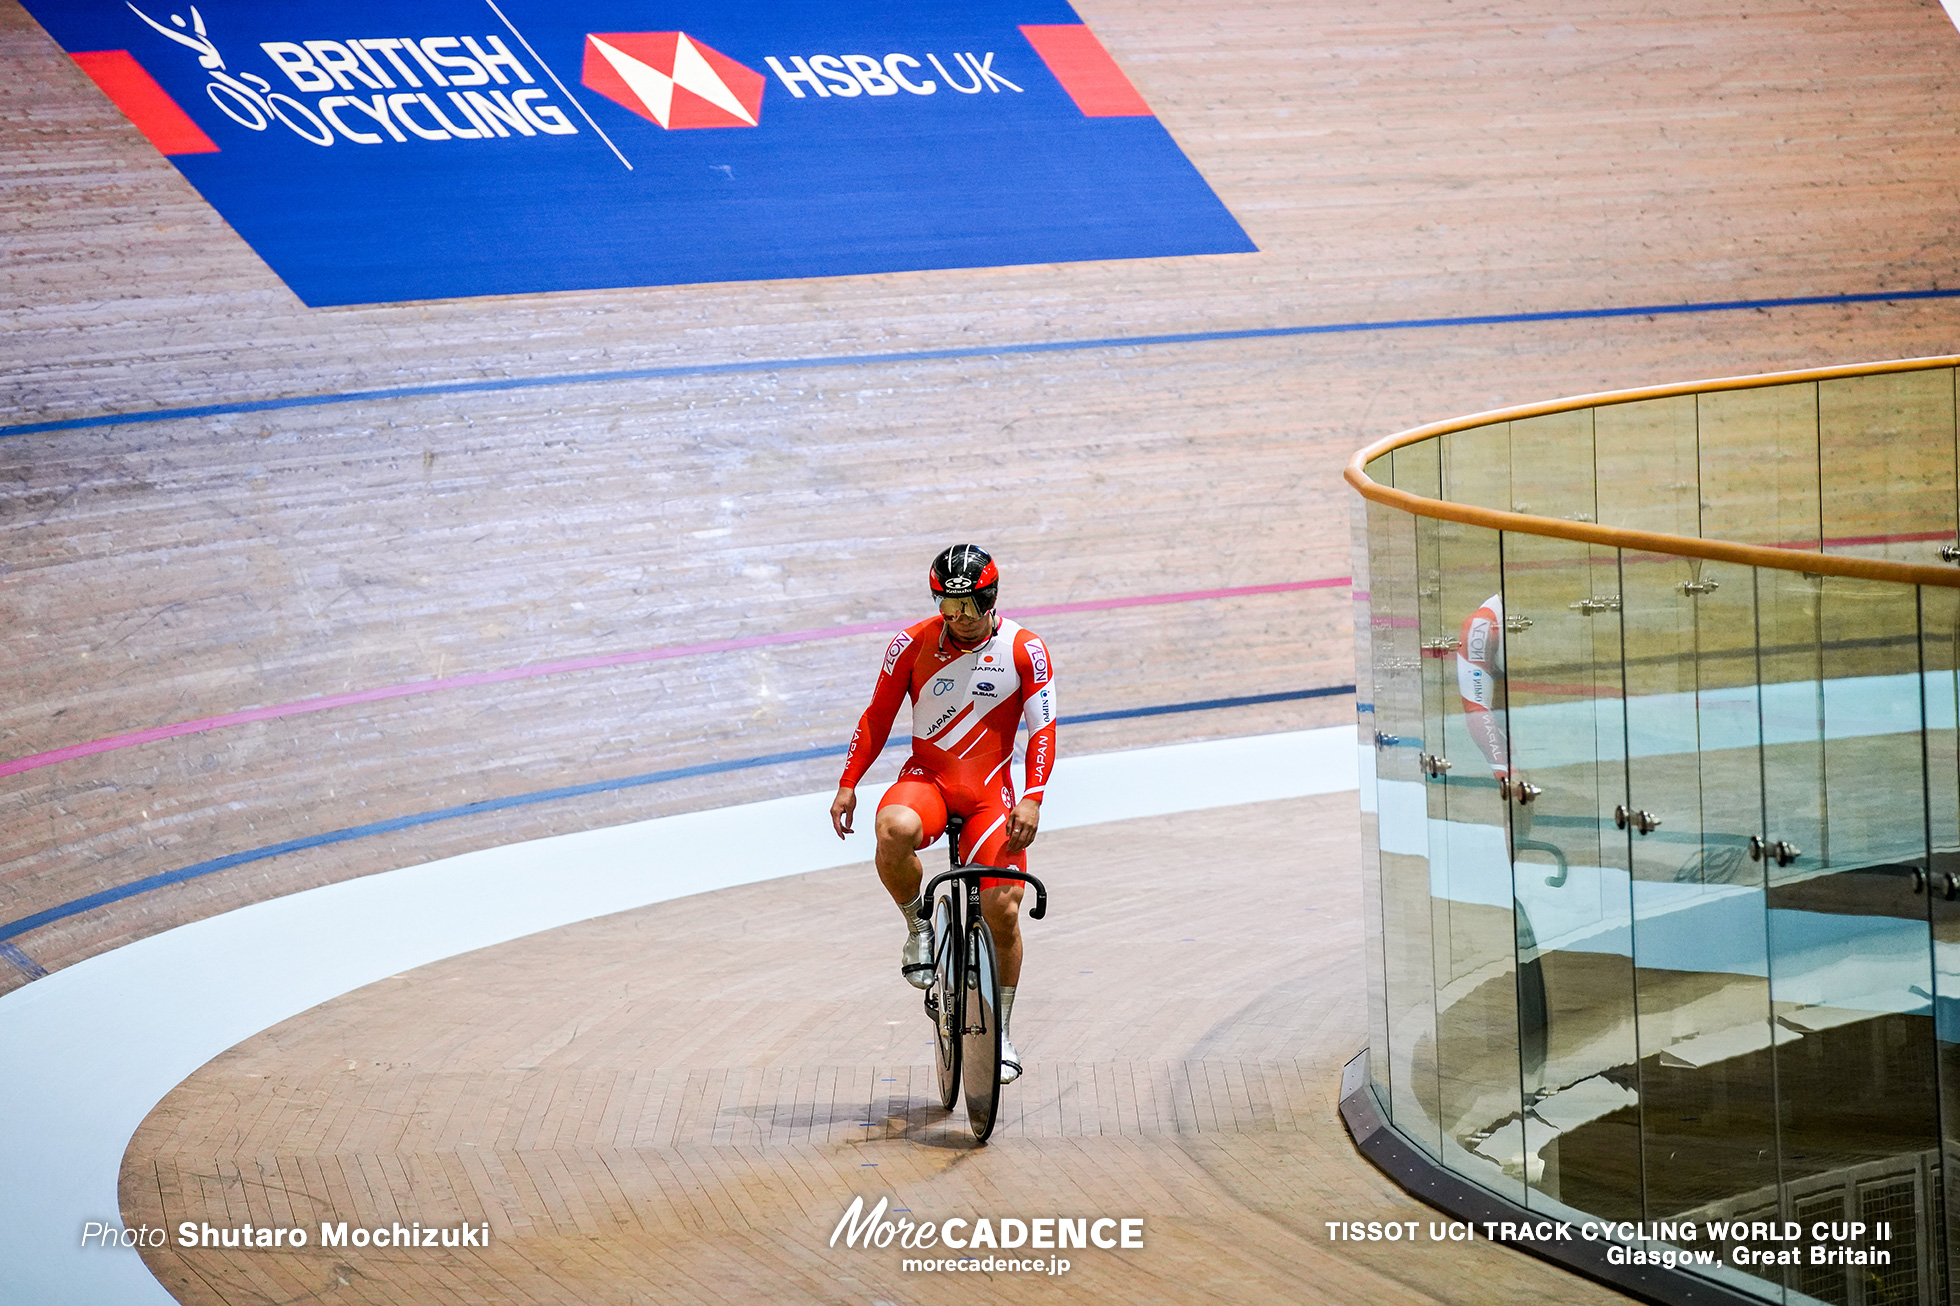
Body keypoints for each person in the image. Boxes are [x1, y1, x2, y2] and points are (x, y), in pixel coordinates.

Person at [829, 544, 1057, 1085]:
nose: (954, 618)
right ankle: (918, 925)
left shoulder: (1025, 649)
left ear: (989, 599)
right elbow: (877, 717)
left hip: (991, 795)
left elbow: (1042, 729)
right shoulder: (911, 643)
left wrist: (1033, 795)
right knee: (894, 828)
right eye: (945, 606)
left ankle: (999, 1029)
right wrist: (848, 783)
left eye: (965, 608)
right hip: (928, 780)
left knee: (1003, 910)